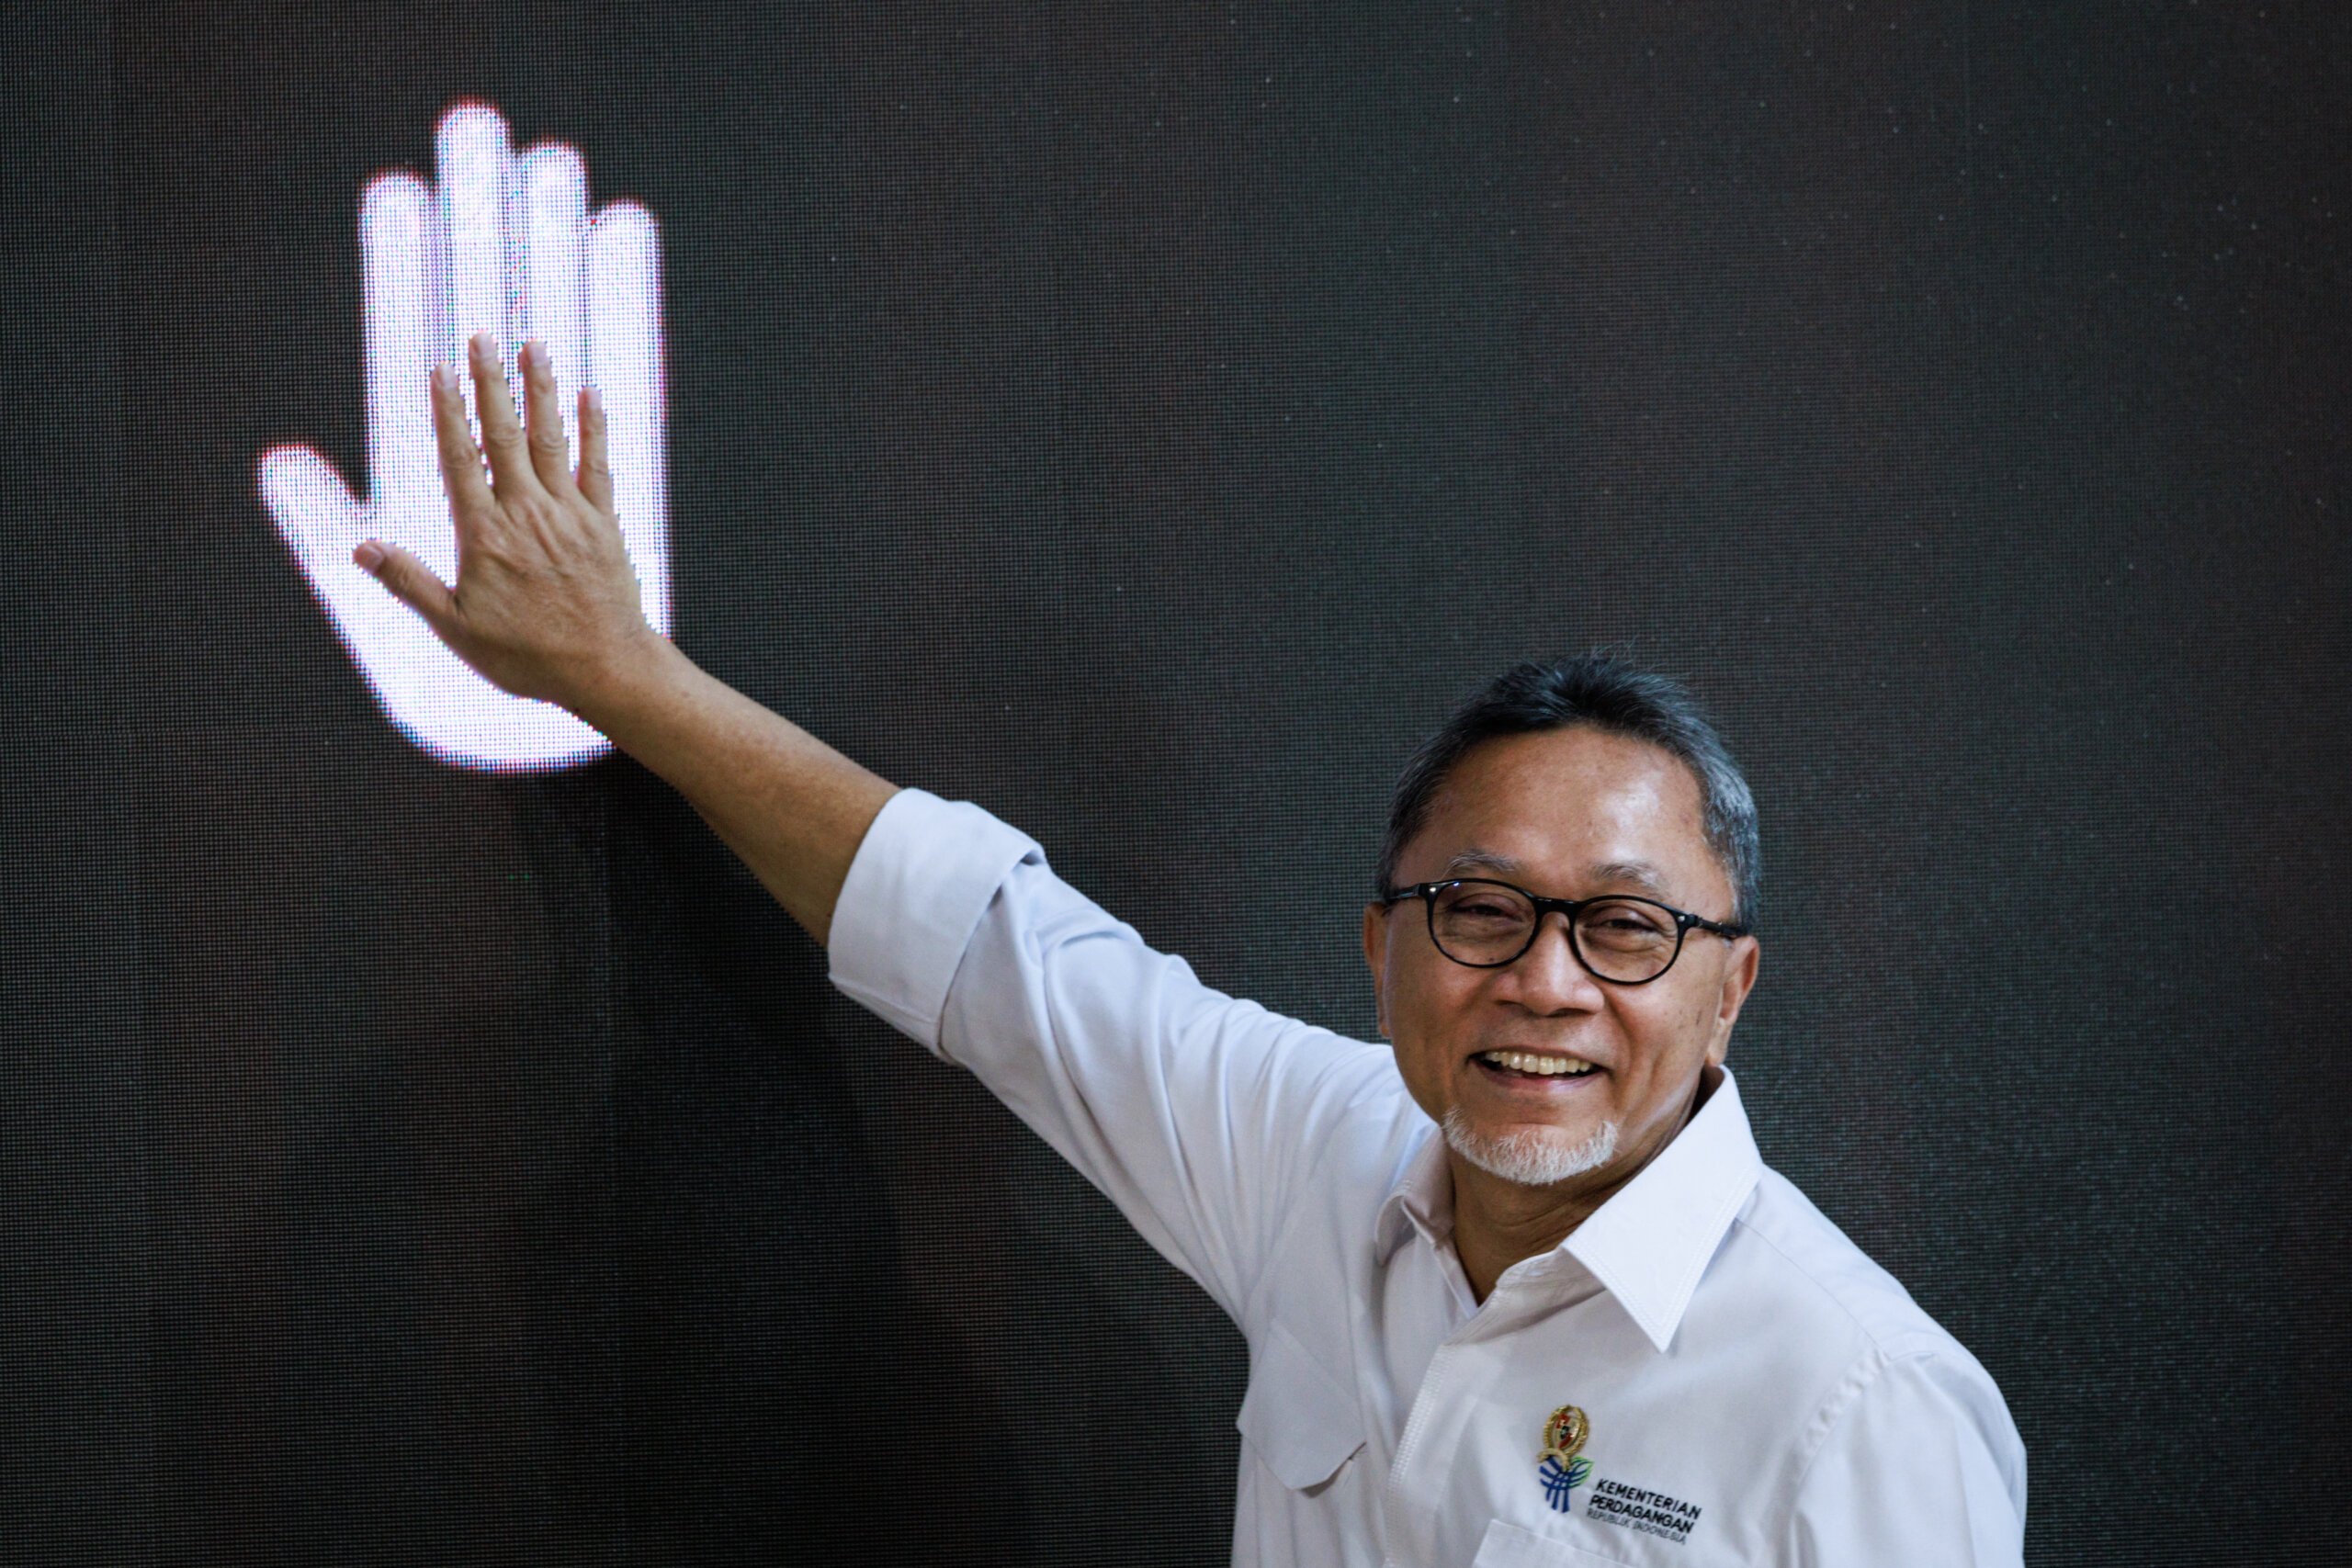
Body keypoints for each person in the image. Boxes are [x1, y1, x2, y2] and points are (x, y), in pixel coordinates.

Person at [356, 333, 2028, 1566]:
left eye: (1628, 926)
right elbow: (993, 951)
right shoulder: (1326, 1153)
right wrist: (621, 677)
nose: (1545, 980)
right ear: (1382, 948)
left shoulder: (1857, 1401)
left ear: (1731, 986)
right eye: (1483, 908)